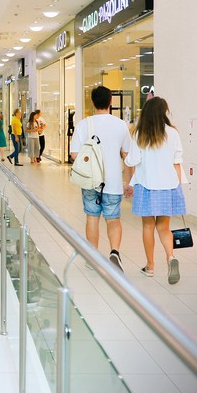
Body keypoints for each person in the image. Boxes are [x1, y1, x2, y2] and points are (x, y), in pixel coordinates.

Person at [69, 86, 136, 272]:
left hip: (91, 181)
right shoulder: (120, 125)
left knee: (92, 217)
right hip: (113, 182)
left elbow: (74, 155)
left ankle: (93, 257)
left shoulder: (84, 124)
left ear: (93, 102)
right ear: (111, 102)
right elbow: (127, 156)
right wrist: (129, 182)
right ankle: (114, 252)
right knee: (113, 219)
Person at [125, 97, 185, 285]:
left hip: (146, 186)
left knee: (148, 227)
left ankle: (150, 266)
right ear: (164, 112)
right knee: (164, 227)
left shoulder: (139, 133)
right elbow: (177, 162)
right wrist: (178, 187)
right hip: (168, 186)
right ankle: (171, 256)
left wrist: (127, 165)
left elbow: (132, 161)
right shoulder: (173, 133)